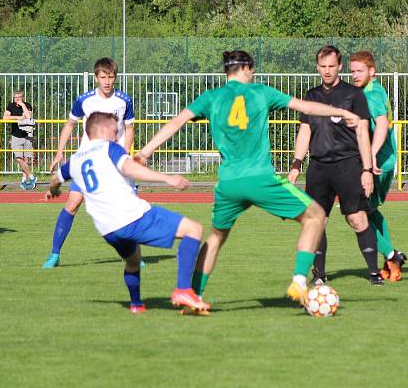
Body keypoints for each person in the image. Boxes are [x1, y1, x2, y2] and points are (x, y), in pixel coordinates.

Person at [136, 50, 362, 311]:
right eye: (252, 70)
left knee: (217, 235)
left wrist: (146, 151)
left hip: (229, 184)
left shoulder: (211, 97)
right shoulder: (261, 93)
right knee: (316, 216)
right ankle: (299, 281)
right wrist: (342, 112)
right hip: (259, 178)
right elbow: (306, 106)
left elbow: (177, 121)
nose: (253, 74)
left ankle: (193, 295)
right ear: (244, 68)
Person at [46, 112, 209, 314]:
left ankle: (136, 305)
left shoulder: (76, 160)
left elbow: (56, 178)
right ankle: (184, 290)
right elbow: (131, 169)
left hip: (108, 230)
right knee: (194, 229)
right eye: (115, 131)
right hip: (132, 217)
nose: (117, 136)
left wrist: (53, 191)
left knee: (133, 261)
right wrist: (167, 178)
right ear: (103, 130)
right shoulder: (109, 148)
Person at [287, 45, 382, 286]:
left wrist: (367, 169)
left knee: (357, 219)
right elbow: (305, 131)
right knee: (317, 221)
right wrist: (296, 165)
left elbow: (362, 133)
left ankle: (374, 273)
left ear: (339, 66)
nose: (327, 71)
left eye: (332, 66)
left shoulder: (353, 95)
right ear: (317, 67)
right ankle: (319, 275)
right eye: (323, 66)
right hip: (319, 168)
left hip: (348, 165)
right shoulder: (312, 96)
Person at [42, 58, 135, 269]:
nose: (107, 81)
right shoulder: (84, 100)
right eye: (103, 77)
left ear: (115, 77)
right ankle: (54, 254)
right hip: (88, 162)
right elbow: (70, 124)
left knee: (123, 208)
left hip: (113, 163)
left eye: (111, 77)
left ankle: (131, 254)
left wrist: (125, 154)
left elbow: (130, 129)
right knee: (73, 204)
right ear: (96, 77)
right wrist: (59, 152)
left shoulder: (124, 101)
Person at [349, 51, 408, 282]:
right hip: (385, 160)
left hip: (378, 163)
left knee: (358, 213)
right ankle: (391, 258)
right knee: (371, 211)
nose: (354, 75)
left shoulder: (371, 93)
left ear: (371, 71)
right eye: (352, 71)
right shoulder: (374, 89)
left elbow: (382, 125)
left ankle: (393, 255)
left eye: (359, 71)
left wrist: (370, 157)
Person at [3, 91, 36, 190]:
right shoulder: (11, 106)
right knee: (18, 158)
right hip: (16, 136)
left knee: (26, 160)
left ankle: (24, 180)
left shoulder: (27, 105)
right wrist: (18, 117)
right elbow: (5, 118)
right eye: (15, 97)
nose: (17, 99)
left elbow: (29, 116)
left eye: (19, 97)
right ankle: (32, 177)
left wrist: (22, 106)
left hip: (27, 136)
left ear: (23, 97)